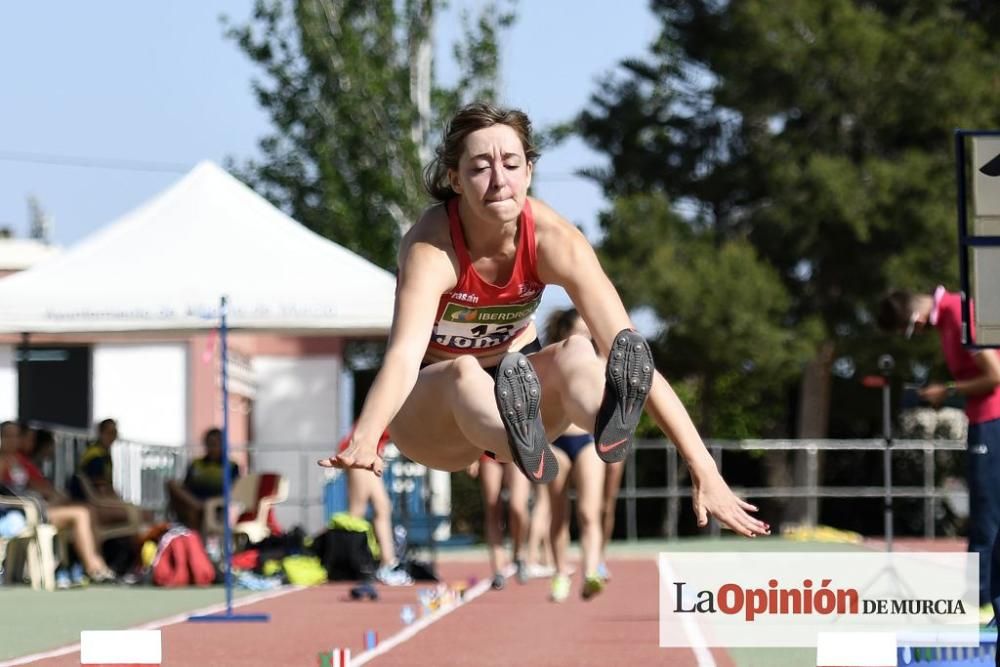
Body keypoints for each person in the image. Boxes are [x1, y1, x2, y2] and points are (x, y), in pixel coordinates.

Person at [319, 102, 768, 547]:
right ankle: (516, 439)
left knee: (577, 350)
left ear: (529, 172)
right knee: (464, 371)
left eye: (511, 164)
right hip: (432, 415)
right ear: (455, 179)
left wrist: (705, 469)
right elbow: (402, 356)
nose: (499, 180)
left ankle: (605, 419)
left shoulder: (555, 240)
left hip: (522, 390)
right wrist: (363, 437)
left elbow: (634, 357)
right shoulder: (432, 249)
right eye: (480, 168)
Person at [878, 287, 1000, 623]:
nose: (916, 335)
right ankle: (982, 601)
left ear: (914, 318)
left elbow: (994, 375)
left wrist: (945, 390)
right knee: (983, 513)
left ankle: (983, 604)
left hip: (993, 419)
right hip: (982, 420)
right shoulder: (949, 319)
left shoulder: (959, 315)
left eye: (909, 329)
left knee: (988, 514)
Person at [540, 307, 608, 601]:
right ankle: (560, 572)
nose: (584, 336)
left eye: (586, 332)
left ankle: (591, 572)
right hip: (556, 441)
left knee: (589, 511)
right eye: (578, 332)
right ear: (564, 334)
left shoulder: (601, 362)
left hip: (588, 442)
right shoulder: (551, 361)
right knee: (558, 512)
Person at [0, 420, 116, 583]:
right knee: (81, 514)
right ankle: (93, 567)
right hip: (19, 512)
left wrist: (56, 496)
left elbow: (40, 486)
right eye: (7, 436)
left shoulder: (21, 461)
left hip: (38, 507)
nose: (13, 440)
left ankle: (96, 563)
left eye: (16, 436)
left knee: (88, 510)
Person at [338, 426, 412, 586]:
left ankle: (387, 564)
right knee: (356, 512)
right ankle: (344, 561)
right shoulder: (397, 405)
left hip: (367, 454)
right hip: (358, 453)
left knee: (382, 507)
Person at [466, 455, 530, 590]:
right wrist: (471, 456)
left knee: (518, 506)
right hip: (489, 450)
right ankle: (498, 570)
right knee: (492, 507)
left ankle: (518, 554)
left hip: (516, 448)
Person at [166, 428, 240, 532]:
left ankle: (196, 541)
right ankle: (197, 505)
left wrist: (209, 503)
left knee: (193, 511)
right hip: (192, 500)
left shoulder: (231, 466)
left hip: (215, 504)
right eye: (209, 443)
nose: (212, 447)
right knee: (171, 484)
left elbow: (234, 490)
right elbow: (186, 485)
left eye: (215, 443)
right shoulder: (196, 463)